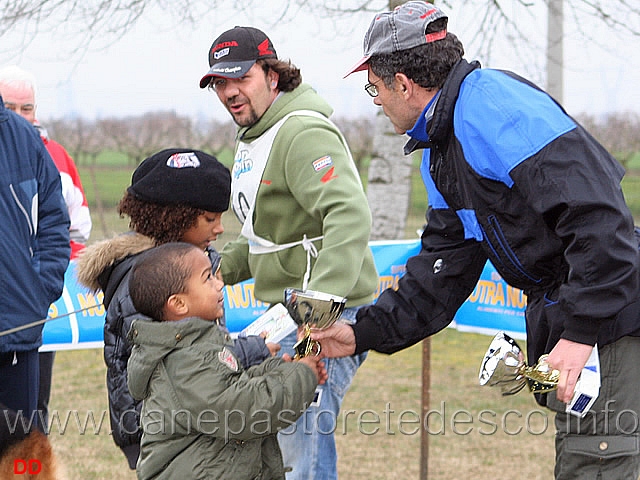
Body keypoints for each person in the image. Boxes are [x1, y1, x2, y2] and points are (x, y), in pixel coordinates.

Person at [312, 2, 640, 479]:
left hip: (614, 322)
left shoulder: (492, 107)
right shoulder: (440, 148)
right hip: (582, 319)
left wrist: (580, 332)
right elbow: (441, 273)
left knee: (600, 462)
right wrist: (362, 332)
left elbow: (600, 220)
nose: (376, 100)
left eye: (375, 88)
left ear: (402, 84)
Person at [199, 26, 380, 479]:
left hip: (329, 312)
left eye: (239, 77)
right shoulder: (257, 135)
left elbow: (350, 214)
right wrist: (207, 270)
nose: (229, 91)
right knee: (275, 435)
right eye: (219, 82)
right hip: (290, 310)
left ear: (273, 76)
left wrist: (320, 311)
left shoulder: (300, 132)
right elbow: (264, 236)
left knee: (301, 442)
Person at [75, 148, 278, 469]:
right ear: (174, 218)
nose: (220, 228)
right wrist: (251, 352)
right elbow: (184, 364)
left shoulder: (192, 263)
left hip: (193, 420)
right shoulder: (149, 279)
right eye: (210, 219)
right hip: (166, 433)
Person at [126, 242, 327, 479]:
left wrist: (283, 368)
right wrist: (302, 374)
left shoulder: (196, 349)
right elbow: (246, 410)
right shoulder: (188, 360)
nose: (219, 284)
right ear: (179, 304)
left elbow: (231, 384)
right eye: (208, 278)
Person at [0, 64, 93, 429]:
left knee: (24, 445)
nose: (21, 114)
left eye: (27, 107)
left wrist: (39, 290)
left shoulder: (29, 144)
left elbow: (63, 225)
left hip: (20, 325)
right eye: (13, 106)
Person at [0, 93, 70, 429]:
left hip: (16, 331)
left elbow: (53, 221)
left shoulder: (23, 137)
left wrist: (39, 291)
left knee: (19, 457)